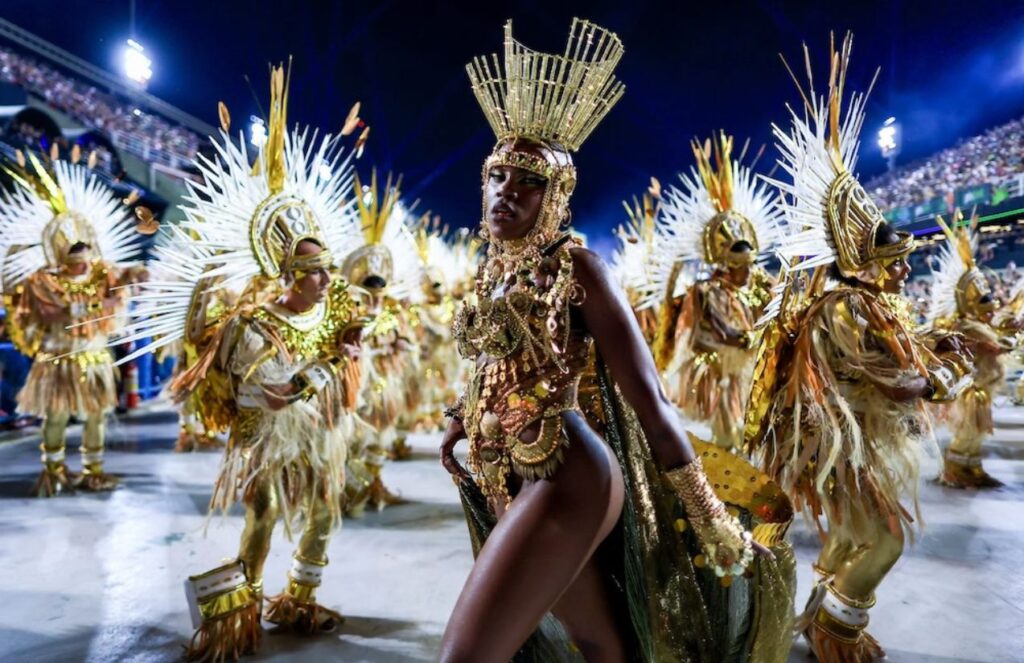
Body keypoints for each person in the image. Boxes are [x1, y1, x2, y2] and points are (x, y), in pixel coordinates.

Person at [439, 20, 779, 663]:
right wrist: (464, 418)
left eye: (528, 181)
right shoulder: (495, 270)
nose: (507, 191)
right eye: (498, 176)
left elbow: (649, 398)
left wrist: (710, 518)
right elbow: (499, 365)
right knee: (603, 644)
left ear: (558, 194)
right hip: (505, 471)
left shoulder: (579, 269)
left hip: (567, 474)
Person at [118, 66, 369, 660]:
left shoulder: (330, 308)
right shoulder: (250, 324)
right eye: (314, 273)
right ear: (287, 274)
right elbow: (268, 393)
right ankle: (244, 608)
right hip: (265, 435)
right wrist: (326, 370)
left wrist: (350, 353)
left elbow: (348, 346)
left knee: (324, 513)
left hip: (318, 434)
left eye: (327, 270)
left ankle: (301, 599)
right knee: (264, 512)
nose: (325, 280)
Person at [747, 33, 973, 661]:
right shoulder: (843, 302)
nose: (902, 271)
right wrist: (942, 375)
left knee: (854, 539)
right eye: (892, 260)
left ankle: (825, 621)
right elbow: (890, 378)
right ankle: (834, 633)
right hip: (837, 446)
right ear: (860, 256)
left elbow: (893, 357)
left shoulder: (858, 300)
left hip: (851, 442)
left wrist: (933, 350)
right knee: (886, 539)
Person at [0, 149, 144, 497]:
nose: (81, 256)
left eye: (84, 248)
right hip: (58, 360)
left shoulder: (104, 272)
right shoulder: (42, 281)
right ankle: (53, 470)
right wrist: (90, 306)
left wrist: (138, 275)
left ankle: (93, 470)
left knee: (97, 415)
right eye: (73, 249)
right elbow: (52, 313)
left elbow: (126, 280)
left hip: (94, 357)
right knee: (57, 417)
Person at [652, 133, 782, 452]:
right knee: (731, 426)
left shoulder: (764, 282)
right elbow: (724, 332)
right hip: (722, 369)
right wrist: (754, 338)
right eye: (742, 266)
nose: (749, 271)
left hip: (759, 364)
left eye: (751, 263)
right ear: (726, 263)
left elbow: (780, 310)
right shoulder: (707, 291)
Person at [926, 211, 1014, 488]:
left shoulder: (976, 323)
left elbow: (998, 342)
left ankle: (971, 468)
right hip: (969, 391)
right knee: (968, 431)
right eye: (983, 297)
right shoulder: (963, 327)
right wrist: (995, 344)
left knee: (975, 434)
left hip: (981, 389)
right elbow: (988, 347)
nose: (989, 303)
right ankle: (955, 471)